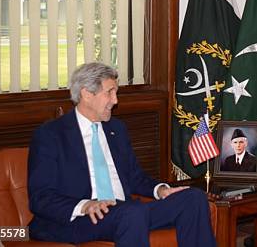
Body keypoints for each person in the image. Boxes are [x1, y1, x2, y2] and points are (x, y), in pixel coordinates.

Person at [28, 62, 216, 247]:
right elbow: (41, 197)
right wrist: (85, 205)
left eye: (115, 93)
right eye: (109, 92)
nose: (115, 100)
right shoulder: (51, 135)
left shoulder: (116, 129)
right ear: (86, 94)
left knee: (194, 198)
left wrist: (160, 190)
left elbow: (135, 177)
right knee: (132, 213)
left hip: (127, 212)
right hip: (81, 219)